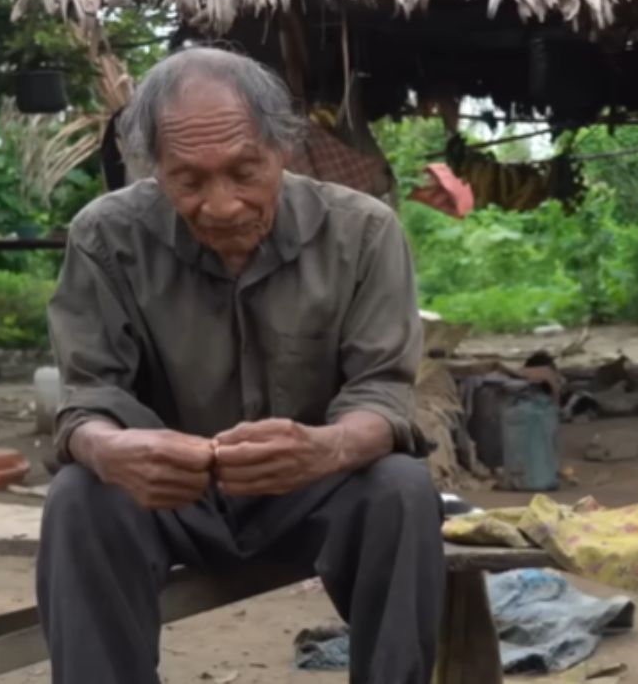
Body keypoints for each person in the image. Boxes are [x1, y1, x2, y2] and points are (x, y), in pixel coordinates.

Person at [39, 47, 443, 684]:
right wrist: (110, 450)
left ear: (282, 148)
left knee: (401, 488)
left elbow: (383, 396)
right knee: (79, 497)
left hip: (311, 491)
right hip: (172, 498)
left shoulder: (364, 232)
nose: (222, 206)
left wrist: (327, 448)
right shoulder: (105, 236)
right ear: (154, 170)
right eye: (189, 181)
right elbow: (87, 399)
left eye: (244, 171)